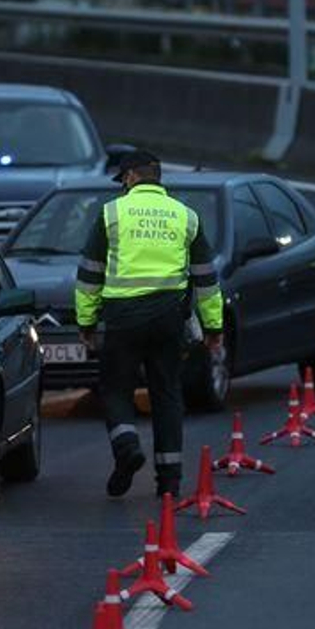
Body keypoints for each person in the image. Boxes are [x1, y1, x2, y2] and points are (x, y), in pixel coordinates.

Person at [75, 149, 223, 499]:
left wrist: (87, 321)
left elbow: (89, 275)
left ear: (129, 177)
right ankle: (169, 480)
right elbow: (206, 279)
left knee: (115, 389)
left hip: (123, 319)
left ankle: (127, 447)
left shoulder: (112, 214)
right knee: (167, 394)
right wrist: (213, 328)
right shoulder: (185, 216)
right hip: (169, 318)